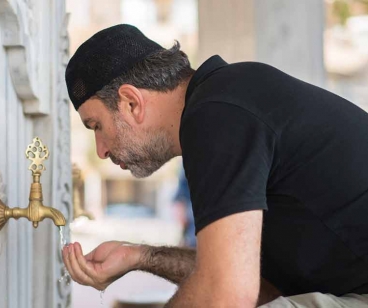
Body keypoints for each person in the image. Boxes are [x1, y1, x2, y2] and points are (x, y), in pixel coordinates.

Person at [62, 24, 368, 307]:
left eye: (96, 125)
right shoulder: (226, 99)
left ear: (131, 102)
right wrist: (139, 256)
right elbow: (256, 283)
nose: (100, 151)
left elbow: (225, 295)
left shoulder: (217, 115)